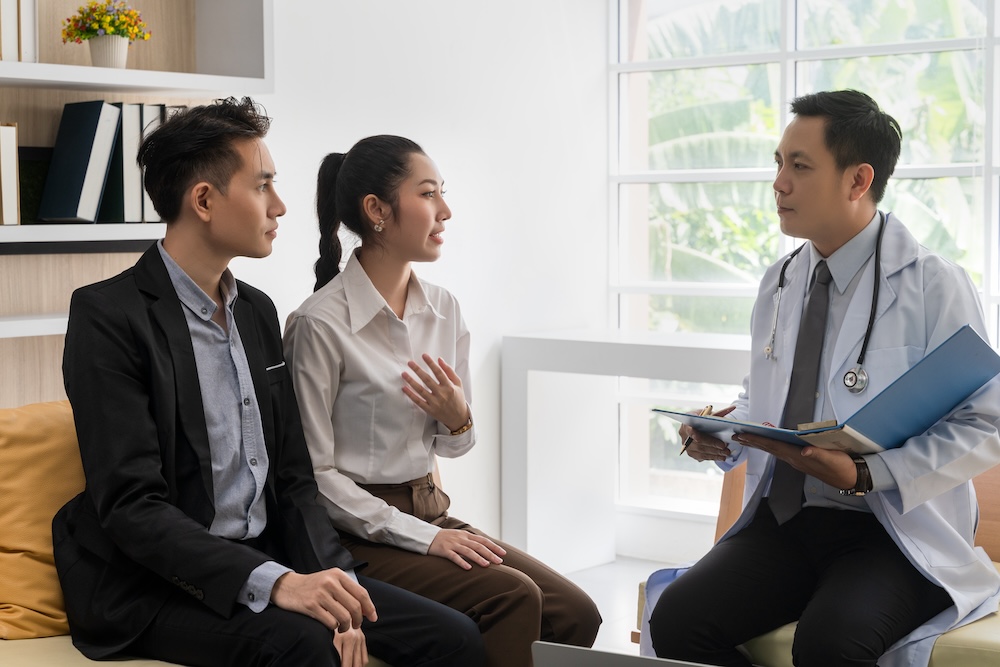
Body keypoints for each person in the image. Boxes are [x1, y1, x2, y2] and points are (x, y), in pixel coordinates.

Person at [52, 98, 485, 667]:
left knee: (455, 638)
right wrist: (277, 584)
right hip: (156, 583)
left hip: (269, 555)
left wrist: (332, 580)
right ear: (203, 200)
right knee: (307, 648)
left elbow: (293, 478)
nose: (280, 205)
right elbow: (132, 506)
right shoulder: (108, 316)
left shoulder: (256, 311)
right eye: (263, 186)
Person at [647, 89, 1000, 667]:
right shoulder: (780, 281)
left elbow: (984, 420)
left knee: (831, 645)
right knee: (678, 620)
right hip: (785, 522)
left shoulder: (935, 284)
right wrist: (724, 433)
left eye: (800, 166)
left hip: (889, 532)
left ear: (858, 180)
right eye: (779, 164)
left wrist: (867, 473)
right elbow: (766, 396)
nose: (779, 183)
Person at [282, 135, 602, 667]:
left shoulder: (444, 309)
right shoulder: (319, 324)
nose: (445, 211)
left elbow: (455, 446)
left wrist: (457, 418)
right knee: (514, 596)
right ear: (377, 211)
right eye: (429, 194)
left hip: (433, 514)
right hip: (359, 535)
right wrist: (423, 539)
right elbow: (314, 478)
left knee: (575, 611)